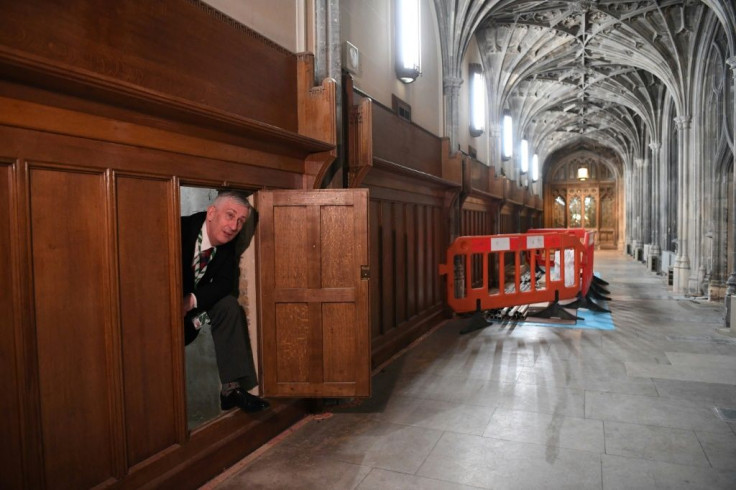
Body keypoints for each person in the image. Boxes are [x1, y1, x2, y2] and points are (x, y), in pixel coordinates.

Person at [181, 190, 269, 413]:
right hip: (156, 312)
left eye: (241, 221)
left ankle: (231, 389)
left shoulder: (228, 241)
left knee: (228, 305)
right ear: (211, 213)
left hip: (190, 314)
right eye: (230, 216)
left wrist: (190, 301)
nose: (234, 226)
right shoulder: (180, 229)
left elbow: (225, 284)